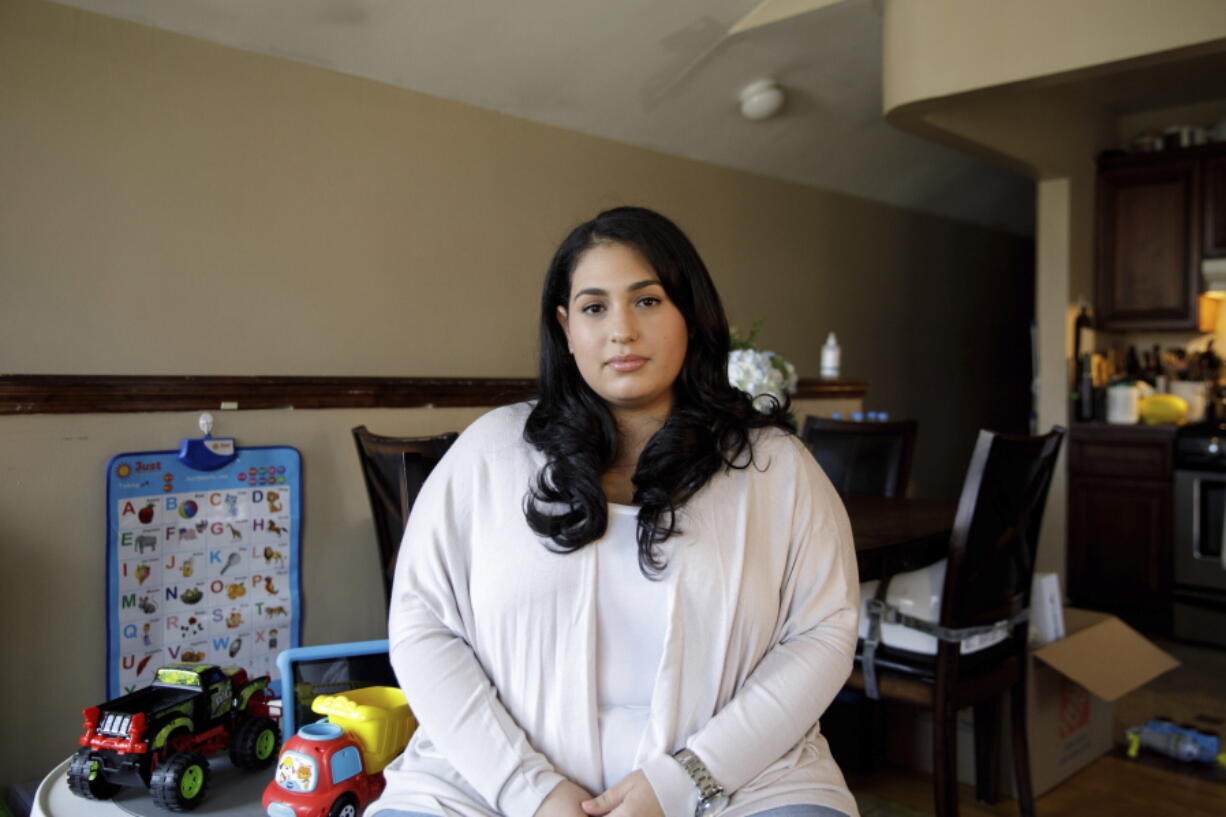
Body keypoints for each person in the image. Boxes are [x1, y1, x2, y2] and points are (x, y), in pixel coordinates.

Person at [368, 206, 860, 817]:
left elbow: (823, 634)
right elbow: (423, 628)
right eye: (595, 307)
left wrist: (686, 779)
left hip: (741, 780)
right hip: (485, 782)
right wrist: (531, 791)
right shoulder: (489, 452)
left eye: (648, 301)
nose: (621, 330)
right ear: (566, 327)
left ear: (691, 314)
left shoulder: (776, 467)